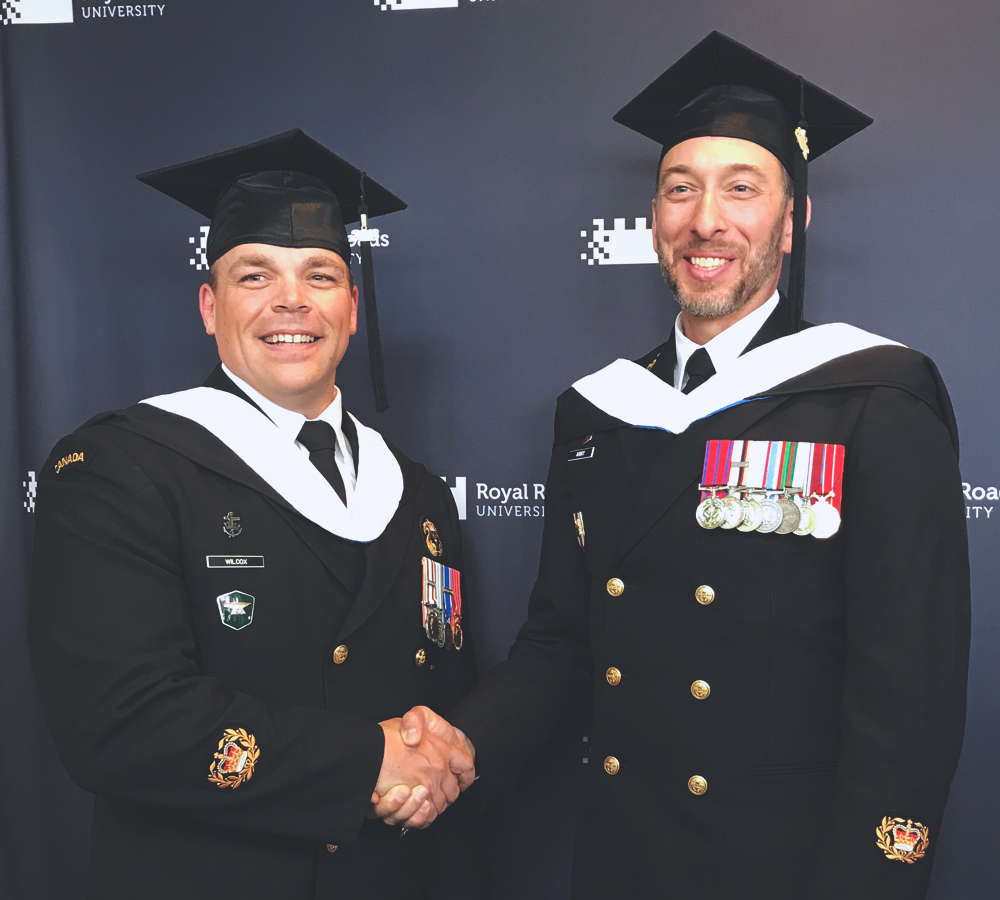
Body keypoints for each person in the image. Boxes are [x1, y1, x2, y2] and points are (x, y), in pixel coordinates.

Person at [393, 32, 970, 899]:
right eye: (680, 188)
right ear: (655, 217)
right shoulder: (596, 411)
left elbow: (909, 694)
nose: (706, 220)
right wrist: (461, 745)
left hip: (787, 869)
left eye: (742, 188)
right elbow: (564, 642)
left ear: (791, 221)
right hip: (623, 856)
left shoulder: (875, 400)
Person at [28, 129, 484, 900]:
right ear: (210, 306)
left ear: (351, 307)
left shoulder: (417, 493)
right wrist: (367, 762)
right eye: (254, 275)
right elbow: (118, 721)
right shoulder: (118, 468)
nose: (291, 301)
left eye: (320, 275)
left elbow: (443, 701)